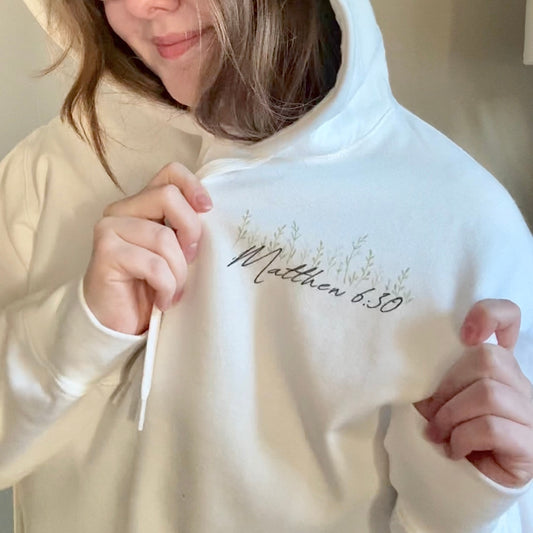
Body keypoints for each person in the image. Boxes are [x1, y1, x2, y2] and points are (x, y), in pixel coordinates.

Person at [0, 0, 532, 531]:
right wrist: (78, 333)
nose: (143, 5)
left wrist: (457, 505)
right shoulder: (46, 170)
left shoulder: (464, 224)